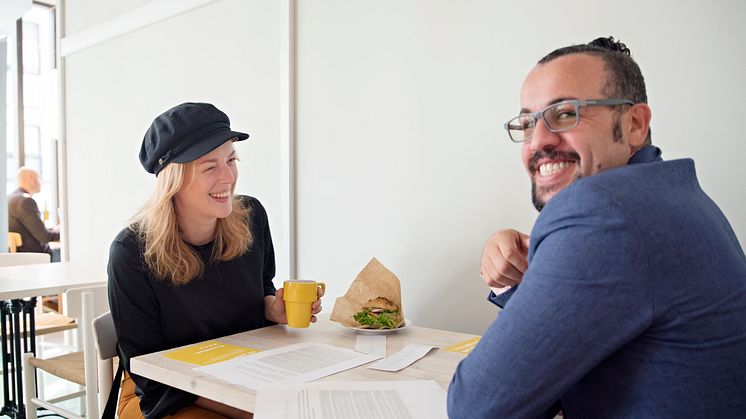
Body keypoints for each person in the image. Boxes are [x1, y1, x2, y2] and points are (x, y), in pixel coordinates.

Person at [448, 37, 746, 418]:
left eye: (565, 114)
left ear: (635, 124)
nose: (538, 141)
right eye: (527, 123)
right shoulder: (670, 194)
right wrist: (528, 270)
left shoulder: (603, 210)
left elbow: (478, 407)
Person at [108, 102, 323, 419]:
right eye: (210, 167)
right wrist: (256, 407)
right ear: (174, 180)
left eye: (231, 160)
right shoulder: (131, 252)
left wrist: (272, 307)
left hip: (248, 373)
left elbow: (261, 287)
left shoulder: (251, 218)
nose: (228, 177)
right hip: (174, 392)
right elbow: (150, 373)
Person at [8, 167, 60, 258]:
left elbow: (35, 230)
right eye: (39, 178)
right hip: (36, 256)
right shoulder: (26, 201)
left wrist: (53, 230)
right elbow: (44, 236)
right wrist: (64, 233)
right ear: (31, 178)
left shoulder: (10, 199)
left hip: (20, 254)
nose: (41, 183)